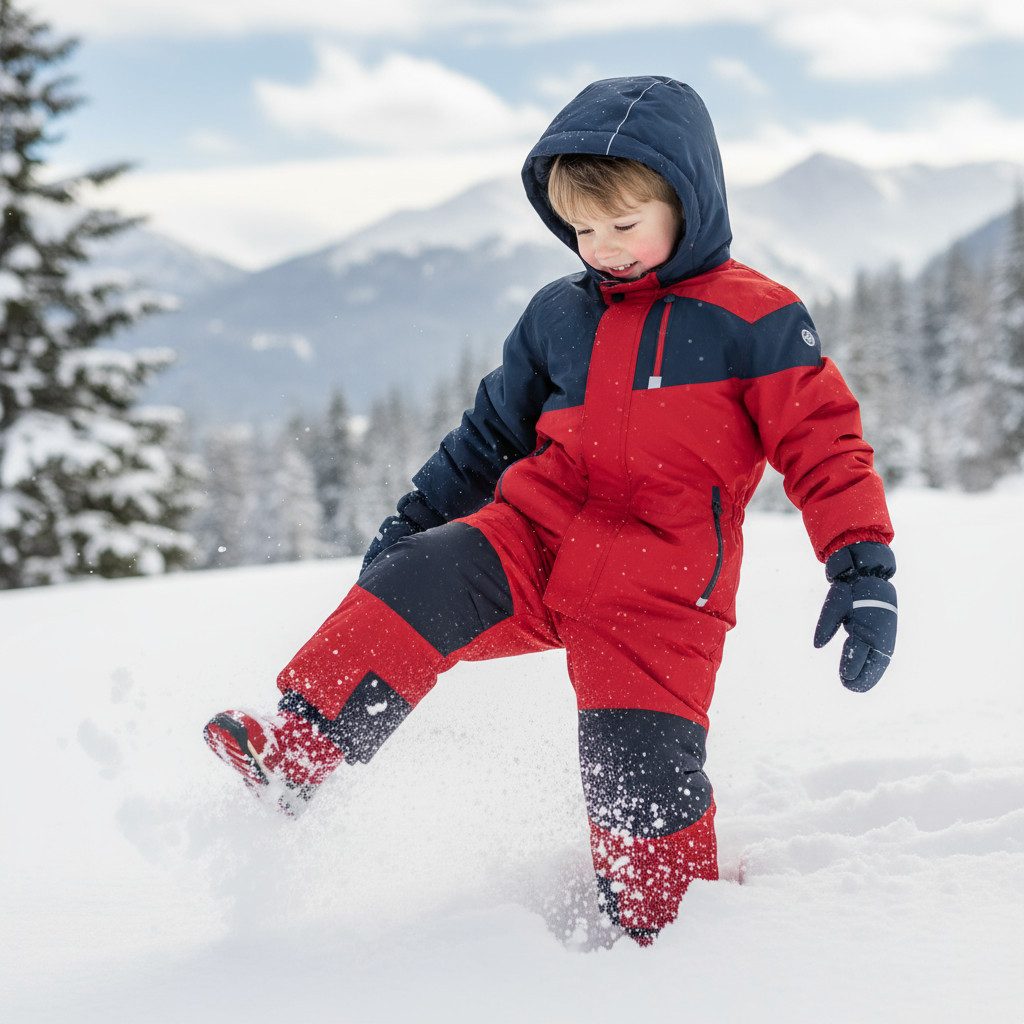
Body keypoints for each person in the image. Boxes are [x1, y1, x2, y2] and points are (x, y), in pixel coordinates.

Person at [203, 76, 898, 947]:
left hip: (662, 589)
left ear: (690, 200)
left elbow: (825, 448)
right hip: (534, 538)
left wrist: (862, 565)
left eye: (624, 224)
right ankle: (296, 756)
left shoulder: (754, 321)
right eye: (581, 230)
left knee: (636, 778)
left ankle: (668, 932)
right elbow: (490, 434)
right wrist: (413, 524)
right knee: (418, 579)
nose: (602, 248)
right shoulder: (559, 315)